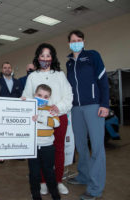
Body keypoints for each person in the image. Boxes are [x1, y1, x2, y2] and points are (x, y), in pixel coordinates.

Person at [22, 43, 73, 195]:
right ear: (38, 57)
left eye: (48, 55)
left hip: (58, 117)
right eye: (42, 55)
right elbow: (27, 96)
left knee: (58, 150)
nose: (45, 58)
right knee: (41, 151)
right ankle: (43, 182)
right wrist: (23, 103)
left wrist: (58, 107)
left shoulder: (59, 75)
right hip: (39, 120)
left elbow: (68, 95)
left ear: (52, 58)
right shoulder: (32, 76)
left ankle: (57, 181)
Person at [65, 30, 109, 200]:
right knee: (81, 145)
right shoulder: (69, 63)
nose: (76, 42)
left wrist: (105, 104)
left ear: (83, 41)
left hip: (94, 106)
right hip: (76, 109)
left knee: (97, 148)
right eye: (73, 40)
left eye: (79, 39)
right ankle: (83, 175)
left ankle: (95, 188)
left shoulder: (92, 56)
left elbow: (102, 80)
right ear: (69, 43)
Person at [27, 84, 61, 200]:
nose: (42, 98)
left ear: (49, 98)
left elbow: (56, 123)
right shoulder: (29, 107)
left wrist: (40, 118)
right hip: (33, 147)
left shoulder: (51, 109)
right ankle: (35, 194)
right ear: (34, 95)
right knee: (34, 173)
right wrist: (22, 102)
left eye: (46, 96)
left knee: (49, 173)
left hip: (48, 147)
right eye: (39, 95)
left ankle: (55, 194)